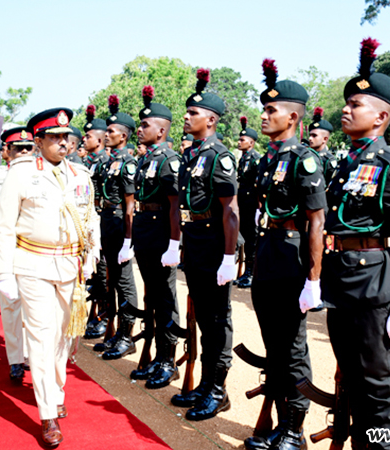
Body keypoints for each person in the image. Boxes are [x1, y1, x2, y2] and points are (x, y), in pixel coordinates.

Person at [320, 39, 390, 450]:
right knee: (350, 376)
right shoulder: (346, 163)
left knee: (378, 384)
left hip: (371, 283)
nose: (345, 109)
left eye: (356, 104)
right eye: (346, 102)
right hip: (340, 280)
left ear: (381, 115)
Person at [0, 107, 99, 447]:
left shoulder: (81, 175)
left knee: (63, 337)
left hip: (71, 266)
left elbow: (91, 218)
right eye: (54, 137)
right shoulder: (21, 174)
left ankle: (55, 389)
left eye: (66, 137)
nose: (62, 143)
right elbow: (4, 227)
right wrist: (5, 273)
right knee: (40, 336)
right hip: (32, 264)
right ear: (38, 141)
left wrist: (92, 255)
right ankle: (47, 412)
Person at [244, 59, 327, 450]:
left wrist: (313, 279)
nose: (264, 116)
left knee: (292, 347)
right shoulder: (269, 158)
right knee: (273, 345)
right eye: (264, 109)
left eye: (271, 111)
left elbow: (316, 221)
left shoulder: (303, 159)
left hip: (293, 255)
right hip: (268, 251)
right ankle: (278, 422)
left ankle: (294, 427)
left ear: (292, 117)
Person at [170, 69, 238, 421]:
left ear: (210, 120)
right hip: (194, 242)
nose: (186, 116)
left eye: (193, 113)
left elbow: (230, 211)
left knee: (216, 320)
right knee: (203, 320)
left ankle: (218, 389)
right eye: (187, 112)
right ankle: (207, 383)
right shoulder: (192, 155)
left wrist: (229, 257)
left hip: (213, 244)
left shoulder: (218, 156)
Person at [130, 85, 182, 389]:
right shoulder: (146, 160)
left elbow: (174, 206)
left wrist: (174, 244)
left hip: (162, 234)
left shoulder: (168, 160)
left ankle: (168, 360)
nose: (140, 129)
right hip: (146, 233)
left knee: (165, 298)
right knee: (152, 295)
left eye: (146, 125)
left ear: (161, 130)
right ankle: (155, 356)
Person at [0, 127, 35, 382]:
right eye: (18, 148)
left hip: (35, 252)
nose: (24, 152)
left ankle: (34, 356)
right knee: (12, 307)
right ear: (7, 152)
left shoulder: (43, 175)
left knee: (35, 308)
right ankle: (15, 358)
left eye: (28, 147)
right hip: (9, 252)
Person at [94, 95, 140, 360]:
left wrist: (128, 242)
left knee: (124, 282)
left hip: (121, 224)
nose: (106, 135)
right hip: (107, 223)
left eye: (111, 131)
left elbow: (130, 205)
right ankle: (113, 333)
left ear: (123, 136)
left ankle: (127, 335)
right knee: (111, 279)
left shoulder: (128, 163)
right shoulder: (109, 162)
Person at [81, 105, 111, 339]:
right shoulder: (91, 162)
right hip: (94, 220)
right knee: (95, 270)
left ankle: (105, 316)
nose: (84, 139)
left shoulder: (104, 161)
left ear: (100, 140)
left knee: (103, 273)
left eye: (89, 136)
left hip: (105, 219)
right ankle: (98, 313)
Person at [233, 116, 260, 289]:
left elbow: (257, 185)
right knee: (244, 238)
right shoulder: (243, 158)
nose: (239, 141)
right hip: (243, 203)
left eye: (242, 139)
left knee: (251, 239)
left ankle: (251, 273)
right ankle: (244, 272)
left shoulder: (256, 159)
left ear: (251, 143)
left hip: (251, 205)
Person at [308, 107, 338, 184]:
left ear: (324, 139)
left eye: (314, 136)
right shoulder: (306, 155)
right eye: (310, 135)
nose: (310, 138)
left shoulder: (328, 161)